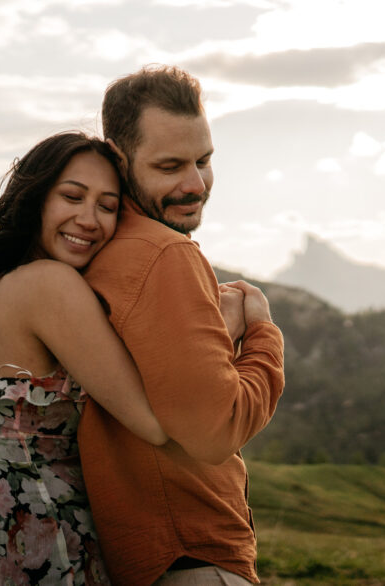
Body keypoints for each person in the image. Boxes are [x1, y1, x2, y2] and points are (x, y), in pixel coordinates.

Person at [0, 133, 175, 585]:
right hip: (62, 553)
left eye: (108, 205)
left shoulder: (2, 287)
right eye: (72, 196)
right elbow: (155, 424)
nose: (89, 219)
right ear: (36, 197)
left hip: (18, 547)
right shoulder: (48, 285)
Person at [77, 65, 285, 585]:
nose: (195, 184)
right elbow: (215, 432)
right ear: (117, 159)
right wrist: (261, 331)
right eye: (170, 166)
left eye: (204, 161)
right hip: (191, 557)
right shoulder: (163, 254)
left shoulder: (95, 249)